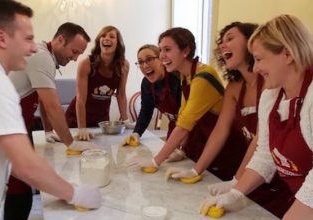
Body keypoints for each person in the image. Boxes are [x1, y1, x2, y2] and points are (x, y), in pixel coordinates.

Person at [0, 1, 101, 220]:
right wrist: (75, 193)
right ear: (1, 38)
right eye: (27, 38)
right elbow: (52, 107)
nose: (33, 47)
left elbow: (15, 162)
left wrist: (48, 132)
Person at [167, 22, 292, 218]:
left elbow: (262, 140)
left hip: (278, 177)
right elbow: (220, 130)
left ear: (252, 42)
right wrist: (196, 169)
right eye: (221, 42)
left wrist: (236, 181)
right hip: (252, 172)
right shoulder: (234, 87)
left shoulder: (271, 82)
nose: (223, 45)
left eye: (230, 38)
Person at [200, 14, 313, 220]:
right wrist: (236, 192)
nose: (256, 68)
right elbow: (265, 154)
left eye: (259, 59)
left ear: (287, 54)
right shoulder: (271, 96)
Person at [126, 27, 247, 181]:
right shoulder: (187, 76)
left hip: (228, 148)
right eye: (161, 50)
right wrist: (181, 149)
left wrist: (155, 161)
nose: (162, 55)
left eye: (167, 49)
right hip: (206, 144)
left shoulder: (203, 77)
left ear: (185, 51)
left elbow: (184, 125)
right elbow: (183, 115)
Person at [7, 22, 94, 219]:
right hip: (8, 126)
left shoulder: (45, 55)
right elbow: (54, 107)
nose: (75, 58)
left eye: (79, 54)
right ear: (60, 39)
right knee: (19, 188)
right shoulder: (41, 56)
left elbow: (43, 101)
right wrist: (71, 143)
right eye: (74, 51)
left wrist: (48, 131)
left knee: (20, 185)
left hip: (19, 125)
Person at [66, 25, 130, 140]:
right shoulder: (86, 64)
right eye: (103, 36)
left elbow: (121, 95)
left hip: (102, 121)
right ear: (99, 41)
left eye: (112, 36)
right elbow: (80, 99)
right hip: (77, 120)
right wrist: (82, 128)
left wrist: (126, 121)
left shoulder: (124, 65)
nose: (106, 38)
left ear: (118, 43)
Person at [122, 44, 181, 146]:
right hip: (175, 127)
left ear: (161, 60)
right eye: (140, 62)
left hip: (195, 129)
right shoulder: (146, 83)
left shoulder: (177, 79)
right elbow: (146, 110)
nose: (144, 65)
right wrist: (137, 133)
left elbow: (190, 117)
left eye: (149, 59)